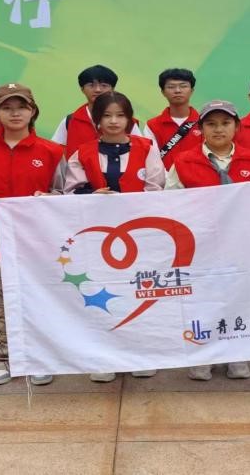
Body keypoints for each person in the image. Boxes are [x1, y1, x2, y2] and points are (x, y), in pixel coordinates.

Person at [0, 83, 66, 387]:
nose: (15, 113)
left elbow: (63, 191)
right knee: (0, 301)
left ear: (33, 111)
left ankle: (40, 358)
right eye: (7, 108)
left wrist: (48, 197)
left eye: (21, 107)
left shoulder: (52, 151)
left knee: (40, 299)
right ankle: (3, 358)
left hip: (39, 242)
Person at [64, 91, 164, 382]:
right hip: (97, 237)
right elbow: (71, 191)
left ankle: (140, 354)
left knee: (137, 292)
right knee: (100, 294)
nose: (113, 121)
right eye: (106, 115)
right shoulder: (82, 152)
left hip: (139, 235)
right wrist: (92, 195)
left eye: (120, 115)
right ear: (97, 120)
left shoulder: (147, 148)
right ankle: (103, 357)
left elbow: (157, 188)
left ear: (130, 119)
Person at [167, 100, 250, 380]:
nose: (218, 129)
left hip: (240, 244)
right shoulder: (183, 161)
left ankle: (237, 355)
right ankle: (202, 355)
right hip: (200, 244)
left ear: (237, 126)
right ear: (201, 129)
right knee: (202, 299)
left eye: (225, 123)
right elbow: (169, 201)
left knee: (239, 297)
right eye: (211, 124)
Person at [51, 64, 141, 157]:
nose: (98, 90)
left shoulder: (128, 122)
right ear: (82, 89)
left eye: (104, 85)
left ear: (113, 89)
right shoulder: (70, 120)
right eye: (91, 85)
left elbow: (141, 151)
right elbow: (56, 151)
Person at [144, 68, 203, 169]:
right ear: (163, 92)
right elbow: (151, 159)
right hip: (164, 178)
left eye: (183, 86)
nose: (177, 90)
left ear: (192, 91)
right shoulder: (152, 125)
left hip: (200, 177)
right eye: (171, 87)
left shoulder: (204, 122)